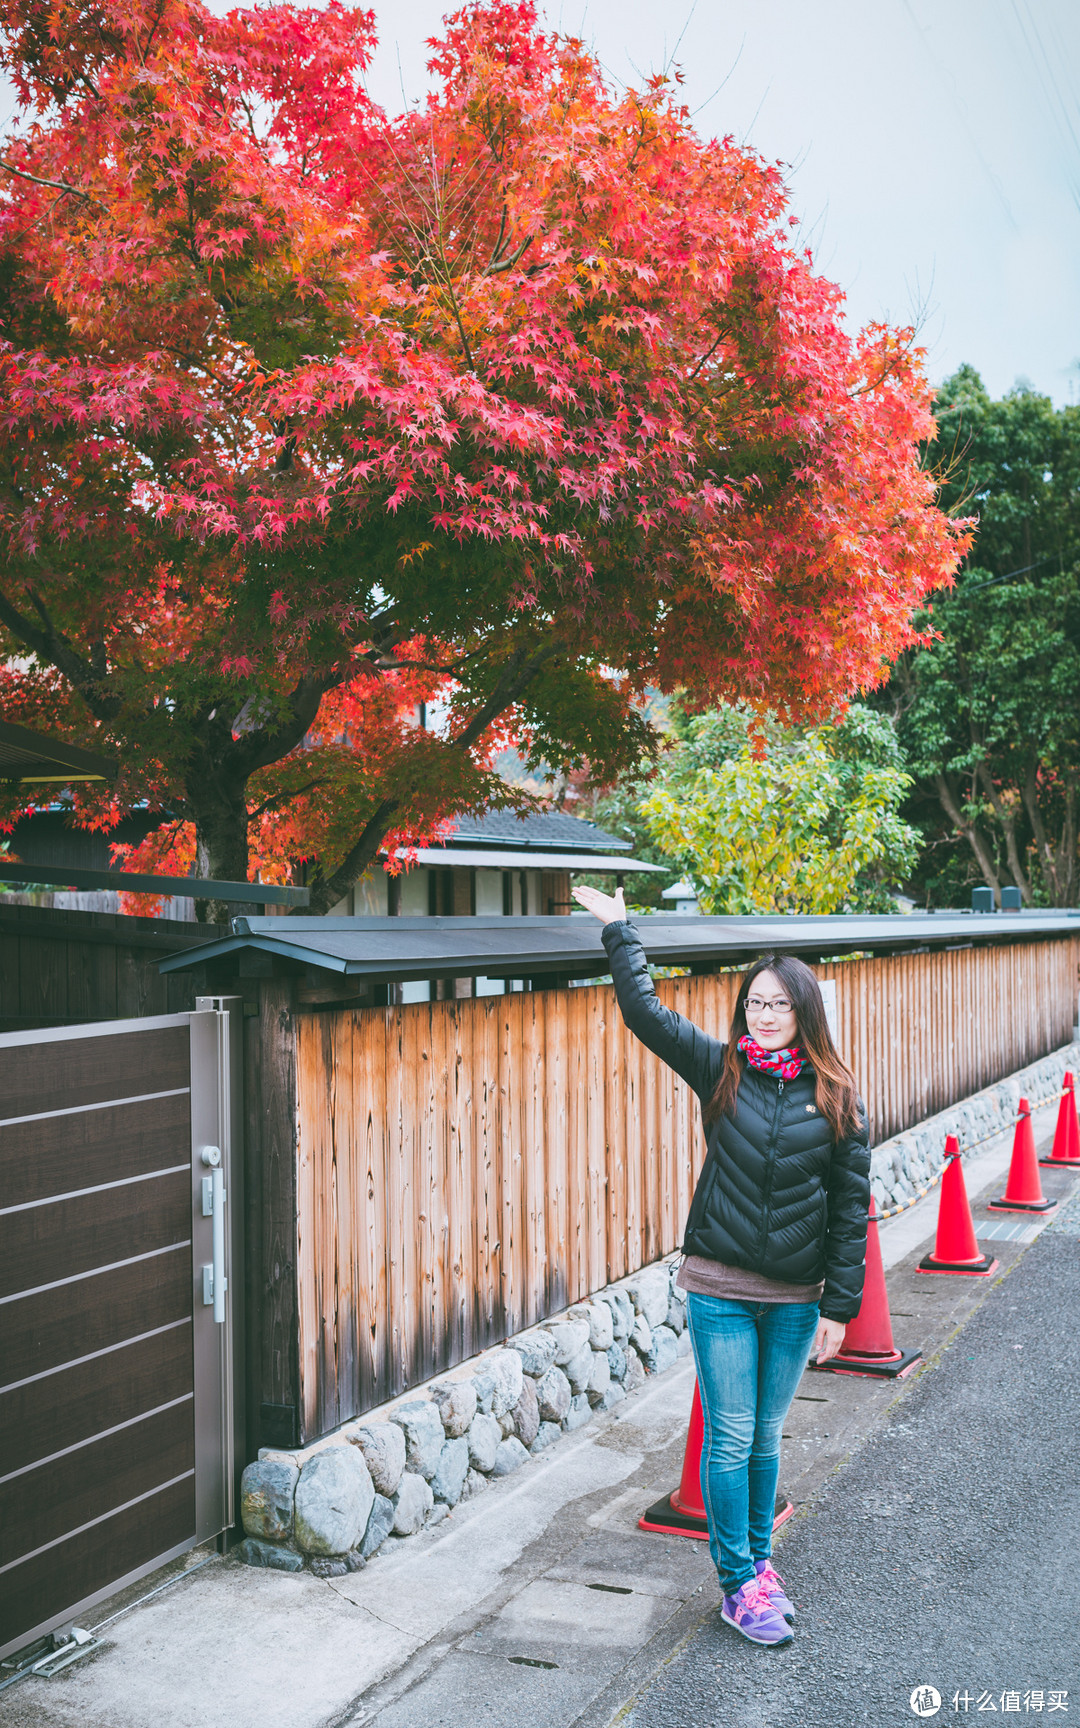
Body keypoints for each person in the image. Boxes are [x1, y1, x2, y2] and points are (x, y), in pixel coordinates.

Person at [572, 884, 870, 1649]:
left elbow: (849, 1209)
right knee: (730, 1438)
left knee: (767, 1439)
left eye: (779, 1005)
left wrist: (841, 1307)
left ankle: (759, 1566)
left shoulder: (837, 1097)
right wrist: (620, 930)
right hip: (721, 1289)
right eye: (755, 1004)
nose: (764, 1016)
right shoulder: (721, 1070)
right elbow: (645, 1014)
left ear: (805, 1012)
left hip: (799, 1298)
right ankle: (738, 1583)